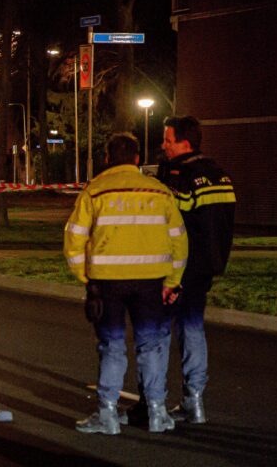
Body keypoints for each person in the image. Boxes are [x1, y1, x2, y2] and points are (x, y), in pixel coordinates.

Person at [64, 133, 188, 435]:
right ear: (136, 159)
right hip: (151, 283)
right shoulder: (160, 192)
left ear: (107, 158)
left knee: (112, 346)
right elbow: (179, 241)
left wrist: (86, 276)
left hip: (107, 283)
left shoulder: (94, 192)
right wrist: (173, 281)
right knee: (152, 345)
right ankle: (157, 413)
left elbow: (74, 239)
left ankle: (107, 415)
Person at [155, 115, 236, 424]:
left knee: (159, 333)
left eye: (168, 140)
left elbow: (171, 217)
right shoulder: (220, 174)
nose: (163, 145)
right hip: (207, 266)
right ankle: (195, 401)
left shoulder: (180, 174)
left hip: (179, 267)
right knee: (193, 329)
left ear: (184, 143)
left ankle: (154, 402)